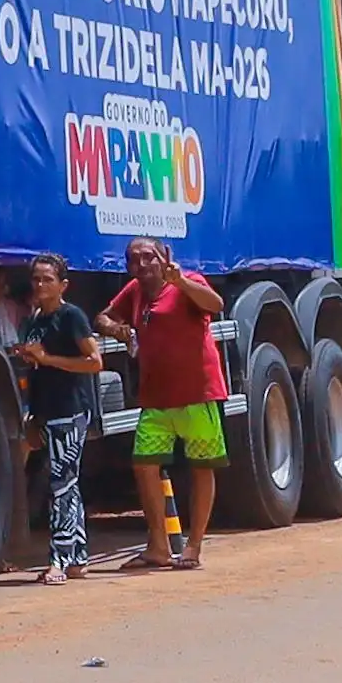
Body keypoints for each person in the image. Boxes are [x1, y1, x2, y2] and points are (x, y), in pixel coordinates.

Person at [99, 235, 224, 574]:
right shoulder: (134, 292)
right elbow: (102, 318)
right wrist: (119, 330)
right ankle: (158, 545)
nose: (140, 265)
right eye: (133, 260)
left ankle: (194, 545)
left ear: (163, 257)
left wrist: (180, 281)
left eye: (147, 258)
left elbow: (215, 305)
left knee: (201, 467)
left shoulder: (188, 281)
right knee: (144, 465)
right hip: (156, 398)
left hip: (197, 394)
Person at [10, 253, 105, 581]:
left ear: (63, 284)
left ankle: (59, 560)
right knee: (69, 485)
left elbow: (94, 362)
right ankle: (78, 556)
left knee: (61, 484)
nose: (40, 285)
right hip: (46, 410)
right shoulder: (35, 321)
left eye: (47, 279)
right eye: (36, 279)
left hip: (70, 410)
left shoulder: (72, 317)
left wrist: (48, 359)